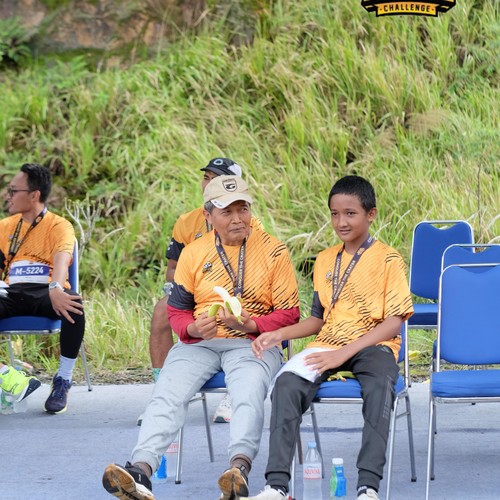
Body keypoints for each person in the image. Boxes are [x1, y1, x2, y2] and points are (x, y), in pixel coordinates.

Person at [102, 174, 300, 500]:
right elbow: (177, 311)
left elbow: (290, 314)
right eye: (227, 211)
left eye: (243, 209)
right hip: (200, 344)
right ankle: (140, 471)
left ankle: (238, 469)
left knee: (248, 392)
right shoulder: (193, 253)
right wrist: (192, 329)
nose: (237, 219)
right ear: (208, 215)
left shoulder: (274, 251)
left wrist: (251, 324)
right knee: (167, 392)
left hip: (253, 342)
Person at [245, 175, 414, 500]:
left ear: (371, 214)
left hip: (374, 345)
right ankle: (277, 486)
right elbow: (317, 320)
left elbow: (394, 323)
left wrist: (343, 353)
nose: (341, 222)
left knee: (380, 388)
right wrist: (277, 333)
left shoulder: (389, 259)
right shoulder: (324, 259)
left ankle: (368, 487)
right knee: (286, 384)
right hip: (328, 344)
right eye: (335, 214)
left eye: (350, 213)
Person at [143, 157, 263, 426]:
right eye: (206, 177)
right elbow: (172, 270)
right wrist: (191, 284)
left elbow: (254, 269)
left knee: (237, 310)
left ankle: (234, 392)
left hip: (237, 290)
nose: (209, 183)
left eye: (216, 179)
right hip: (194, 290)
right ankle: (162, 392)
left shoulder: (248, 222)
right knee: (162, 310)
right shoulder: (186, 222)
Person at [0, 163, 85, 414]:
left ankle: (63, 380)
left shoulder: (59, 225)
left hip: (46, 291)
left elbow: (62, 259)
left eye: (13, 190)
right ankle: (8, 376)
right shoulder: (5, 226)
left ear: (34, 195)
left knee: (74, 305)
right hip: (11, 293)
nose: (8, 195)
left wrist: (56, 287)